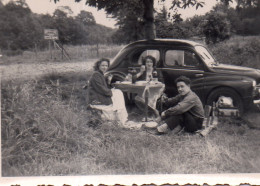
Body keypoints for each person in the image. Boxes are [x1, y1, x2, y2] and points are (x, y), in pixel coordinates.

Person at [88, 58, 128, 125]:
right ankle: (119, 112)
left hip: (100, 95)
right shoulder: (96, 75)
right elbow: (100, 88)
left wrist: (109, 82)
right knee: (118, 93)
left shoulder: (100, 74)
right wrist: (111, 92)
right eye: (102, 65)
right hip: (97, 98)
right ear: (98, 66)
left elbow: (104, 87)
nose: (104, 67)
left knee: (118, 92)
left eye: (106, 66)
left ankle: (118, 111)